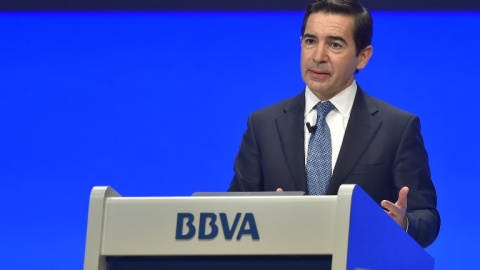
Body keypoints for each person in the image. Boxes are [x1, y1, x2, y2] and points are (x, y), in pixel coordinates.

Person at [228, 0, 440, 248]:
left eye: (335, 44)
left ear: (363, 57)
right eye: (310, 41)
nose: (318, 56)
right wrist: (264, 217)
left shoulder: (397, 127)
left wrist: (403, 225)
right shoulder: (262, 125)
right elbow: (234, 216)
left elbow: (427, 218)